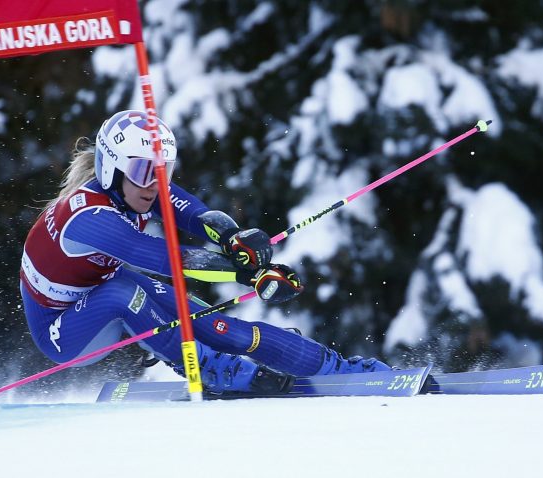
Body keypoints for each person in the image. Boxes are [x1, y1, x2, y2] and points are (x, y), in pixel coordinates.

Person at [20, 110, 391, 394]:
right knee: (126, 293)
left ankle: (333, 369)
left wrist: (234, 239)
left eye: (162, 171)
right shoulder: (89, 216)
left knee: (216, 322)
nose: (154, 184)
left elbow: (196, 215)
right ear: (112, 167)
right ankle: (212, 369)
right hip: (64, 329)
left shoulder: (137, 188)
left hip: (107, 290)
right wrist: (246, 274)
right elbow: (162, 257)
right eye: (142, 170)